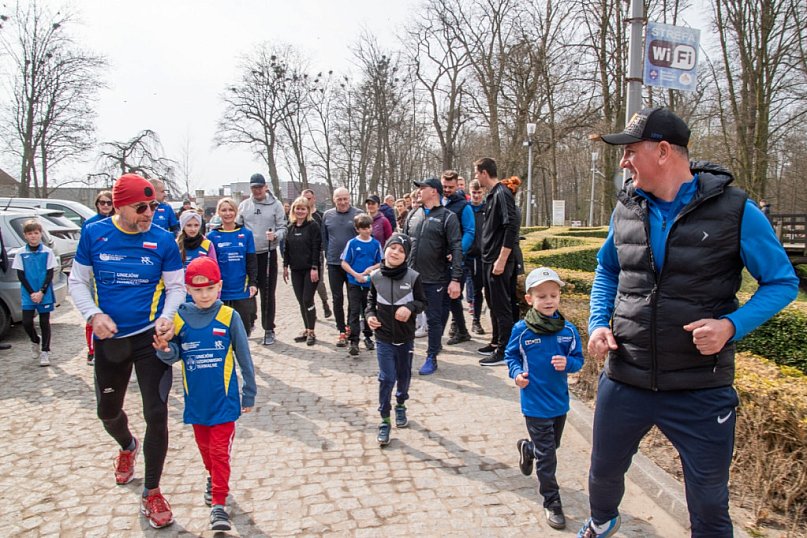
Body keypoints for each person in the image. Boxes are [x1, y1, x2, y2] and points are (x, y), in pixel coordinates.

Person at [580, 107, 800, 538]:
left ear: (663, 151)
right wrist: (597, 323)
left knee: (709, 501)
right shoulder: (626, 207)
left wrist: (730, 326)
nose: (623, 162)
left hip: (701, 388)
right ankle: (602, 522)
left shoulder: (737, 211)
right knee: (603, 475)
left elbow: (782, 282)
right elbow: (608, 270)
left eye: (630, 151)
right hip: (625, 377)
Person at [69, 173, 185, 529]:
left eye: (153, 205)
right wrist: (93, 314)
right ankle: (127, 445)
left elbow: (176, 286)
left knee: (157, 412)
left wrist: (167, 317)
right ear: (119, 206)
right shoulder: (94, 233)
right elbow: (77, 281)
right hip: (111, 338)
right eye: (141, 207)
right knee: (107, 411)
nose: (149, 212)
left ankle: (152, 491)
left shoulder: (163, 240)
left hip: (151, 338)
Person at [153, 256, 256, 532]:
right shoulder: (181, 317)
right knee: (206, 449)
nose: (204, 294)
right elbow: (174, 354)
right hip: (196, 400)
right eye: (198, 290)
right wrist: (164, 349)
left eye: (210, 288)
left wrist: (249, 392)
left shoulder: (228, 316)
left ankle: (219, 505)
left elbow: (244, 357)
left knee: (220, 452)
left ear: (219, 286)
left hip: (224, 399)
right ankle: (212, 477)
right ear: (187, 289)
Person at [505, 267, 584, 530]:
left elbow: (579, 360)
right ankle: (552, 502)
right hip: (534, 404)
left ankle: (528, 449)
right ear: (530, 300)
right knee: (548, 457)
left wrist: (568, 363)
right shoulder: (522, 330)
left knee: (551, 447)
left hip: (559, 403)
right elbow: (511, 356)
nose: (549, 300)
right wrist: (517, 375)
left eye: (553, 294)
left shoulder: (569, 330)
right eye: (542, 296)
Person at [365, 234, 425, 446]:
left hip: (405, 338)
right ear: (385, 249)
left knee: (404, 375)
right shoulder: (375, 276)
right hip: (382, 338)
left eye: (401, 250)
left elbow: (421, 302)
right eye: (393, 247)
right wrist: (370, 316)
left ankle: (400, 404)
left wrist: (409, 308)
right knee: (386, 377)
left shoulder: (413, 277)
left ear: (406, 256)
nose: (396, 253)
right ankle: (384, 419)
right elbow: (370, 302)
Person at [403, 178, 463, 375]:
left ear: (434, 192)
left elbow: (456, 248)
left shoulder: (448, 217)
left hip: (435, 278)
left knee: (434, 320)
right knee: (406, 317)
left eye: (423, 188)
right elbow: (404, 243)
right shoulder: (413, 214)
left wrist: (455, 279)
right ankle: (404, 354)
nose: (419, 191)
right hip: (410, 277)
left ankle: (432, 356)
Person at [474, 157, 519, 367]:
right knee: (492, 302)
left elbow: (511, 226)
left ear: (484, 172)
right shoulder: (492, 196)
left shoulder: (502, 193)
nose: (475, 177)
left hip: (497, 261)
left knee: (502, 306)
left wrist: (502, 259)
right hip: (488, 259)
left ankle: (504, 350)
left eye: (476, 172)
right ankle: (495, 342)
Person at [237, 173, 287, 345]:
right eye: (254, 187)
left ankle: (268, 328)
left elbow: (283, 228)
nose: (257, 190)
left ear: (266, 187)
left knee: (267, 292)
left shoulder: (276, 205)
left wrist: (276, 236)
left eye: (260, 187)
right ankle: (250, 321)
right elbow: (237, 226)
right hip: (249, 255)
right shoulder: (244, 205)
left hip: (268, 253)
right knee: (249, 290)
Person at [208, 198, 258, 337]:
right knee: (222, 332)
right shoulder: (211, 236)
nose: (227, 213)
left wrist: (253, 282)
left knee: (243, 331)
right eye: (224, 210)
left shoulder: (246, 234)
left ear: (236, 212)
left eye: (231, 210)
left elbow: (251, 261)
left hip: (241, 289)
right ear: (218, 212)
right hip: (221, 291)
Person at [13, 219, 56, 367]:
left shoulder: (47, 252)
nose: (33, 236)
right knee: (26, 322)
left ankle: (45, 351)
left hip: (44, 293)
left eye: (36, 233)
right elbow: (21, 275)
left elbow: (50, 273)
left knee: (44, 322)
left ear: (40, 234)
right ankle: (34, 340)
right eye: (30, 233)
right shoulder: (20, 253)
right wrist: (32, 293)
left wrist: (41, 291)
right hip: (28, 293)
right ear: (25, 235)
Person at [322, 187, 361, 347]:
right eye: (339, 199)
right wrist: (328, 255)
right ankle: (341, 331)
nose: (343, 202)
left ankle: (351, 327)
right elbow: (324, 238)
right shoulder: (327, 215)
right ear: (334, 199)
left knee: (354, 299)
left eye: (345, 199)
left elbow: (363, 236)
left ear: (349, 198)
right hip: (334, 263)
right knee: (337, 298)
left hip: (353, 265)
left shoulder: (358, 213)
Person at [341, 213, 383, 356]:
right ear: (357, 229)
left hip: (369, 283)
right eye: (364, 228)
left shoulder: (375, 244)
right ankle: (354, 340)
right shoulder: (352, 243)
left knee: (368, 310)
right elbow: (344, 263)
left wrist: (372, 268)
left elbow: (381, 262)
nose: (367, 230)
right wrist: (356, 275)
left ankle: (368, 336)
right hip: (354, 282)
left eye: (369, 227)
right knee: (354, 310)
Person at [441, 170, 475, 345]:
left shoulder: (464, 206)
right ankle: (461, 330)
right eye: (444, 186)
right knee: (449, 298)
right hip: (440, 259)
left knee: (453, 296)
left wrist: (457, 252)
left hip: (458, 259)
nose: (447, 189)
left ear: (457, 185)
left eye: (450, 187)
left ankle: (460, 330)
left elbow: (470, 231)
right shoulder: (439, 202)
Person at [82, 190, 116, 365]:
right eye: (102, 202)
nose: (105, 206)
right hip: (95, 273)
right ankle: (92, 350)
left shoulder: (119, 223)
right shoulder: (90, 225)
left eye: (108, 203)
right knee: (94, 312)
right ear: (97, 204)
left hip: (114, 273)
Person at [283, 196, 321, 345]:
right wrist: (285, 266)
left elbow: (316, 248)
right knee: (301, 301)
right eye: (297, 208)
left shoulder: (313, 226)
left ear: (308, 210)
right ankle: (306, 329)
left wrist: (315, 267)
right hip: (295, 269)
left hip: (310, 269)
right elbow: (286, 249)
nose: (300, 211)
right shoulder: (290, 227)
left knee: (307, 299)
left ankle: (312, 330)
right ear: (293, 210)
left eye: (303, 208)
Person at [302, 188, 332, 319]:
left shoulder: (320, 215)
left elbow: (325, 235)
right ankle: (310, 309)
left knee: (318, 282)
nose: (307, 201)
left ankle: (325, 302)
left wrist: (326, 253)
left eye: (309, 198)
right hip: (302, 254)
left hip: (318, 253)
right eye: (304, 198)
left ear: (314, 199)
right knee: (305, 284)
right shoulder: (299, 215)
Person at [177, 211, 218, 303]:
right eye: (189, 225)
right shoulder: (176, 245)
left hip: (201, 294)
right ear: (183, 226)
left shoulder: (207, 244)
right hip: (181, 294)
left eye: (196, 225)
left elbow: (214, 270)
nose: (193, 229)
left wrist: (216, 296)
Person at [467, 180, 488, 335]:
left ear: (483, 192)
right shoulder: (465, 208)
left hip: (480, 256)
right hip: (464, 255)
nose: (476, 196)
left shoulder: (488, 209)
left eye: (479, 192)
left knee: (477, 290)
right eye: (474, 192)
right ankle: (456, 324)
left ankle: (476, 321)